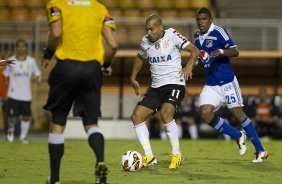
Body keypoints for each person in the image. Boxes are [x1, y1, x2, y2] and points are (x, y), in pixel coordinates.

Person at [43, 0, 118, 184]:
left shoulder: (57, 4)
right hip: (92, 69)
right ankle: (100, 161)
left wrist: (47, 54)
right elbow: (113, 45)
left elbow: (56, 32)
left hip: (66, 67)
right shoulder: (100, 8)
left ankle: (55, 179)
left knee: (58, 122)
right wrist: (105, 64)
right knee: (91, 123)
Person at [194, 7, 267, 163]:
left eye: (204, 19)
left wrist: (220, 51)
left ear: (211, 20)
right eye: (198, 19)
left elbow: (235, 51)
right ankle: (238, 136)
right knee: (205, 112)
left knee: (238, 114)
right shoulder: (196, 36)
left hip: (227, 82)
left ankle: (261, 150)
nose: (201, 22)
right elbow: (199, 56)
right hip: (211, 84)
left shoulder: (219, 32)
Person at [130, 15, 199, 169]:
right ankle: (149, 156)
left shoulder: (172, 34)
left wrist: (189, 66)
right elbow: (140, 57)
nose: (148, 32)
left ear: (161, 28)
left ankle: (177, 154)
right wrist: (133, 77)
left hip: (175, 83)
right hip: (156, 87)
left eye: (151, 29)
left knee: (166, 113)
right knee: (136, 116)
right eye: (147, 29)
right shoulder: (145, 41)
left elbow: (195, 50)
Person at [3, 39, 41, 144]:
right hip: (13, 93)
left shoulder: (31, 61)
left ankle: (23, 137)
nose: (21, 48)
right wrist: (6, 83)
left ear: (26, 48)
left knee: (26, 116)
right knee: (12, 116)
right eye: (19, 46)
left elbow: (37, 73)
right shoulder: (10, 60)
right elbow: (5, 74)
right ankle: (10, 131)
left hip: (26, 95)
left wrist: (38, 79)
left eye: (23, 46)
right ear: (16, 48)